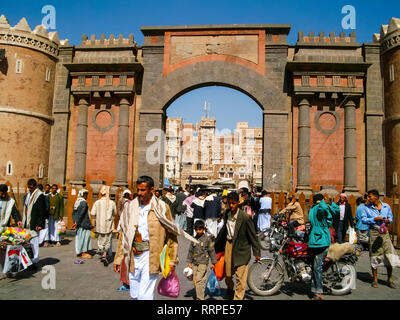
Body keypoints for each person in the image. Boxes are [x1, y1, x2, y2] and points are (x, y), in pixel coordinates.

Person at [113, 176, 192, 300]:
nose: (139, 193)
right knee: (134, 294)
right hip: (133, 256)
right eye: (138, 190)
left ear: (151, 189)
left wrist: (172, 261)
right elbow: (123, 234)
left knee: (145, 295)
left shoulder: (161, 207)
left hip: (151, 256)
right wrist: (118, 258)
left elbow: (171, 236)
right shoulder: (130, 207)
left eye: (142, 190)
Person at [214, 191, 261, 300]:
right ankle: (230, 288)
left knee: (240, 277)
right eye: (229, 203)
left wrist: (257, 253)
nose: (231, 206)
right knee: (229, 275)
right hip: (228, 246)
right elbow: (224, 231)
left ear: (238, 203)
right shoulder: (226, 214)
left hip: (242, 249)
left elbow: (253, 236)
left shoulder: (245, 218)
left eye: (233, 203)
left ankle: (238, 298)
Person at [362, 189, 399, 289]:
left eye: (370, 196)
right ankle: (375, 279)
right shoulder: (367, 208)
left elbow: (390, 217)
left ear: (376, 197)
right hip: (374, 232)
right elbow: (363, 219)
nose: (368, 198)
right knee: (375, 255)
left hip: (384, 233)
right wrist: (374, 219)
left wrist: (388, 220)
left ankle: (389, 279)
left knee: (389, 255)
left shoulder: (386, 206)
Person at [308, 193, 339, 300]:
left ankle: (319, 292)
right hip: (317, 239)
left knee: (317, 267)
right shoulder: (317, 209)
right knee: (314, 266)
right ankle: (315, 288)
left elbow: (323, 210)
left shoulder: (319, 209)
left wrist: (323, 203)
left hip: (322, 241)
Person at [187, 219, 217, 300]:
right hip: (194, 262)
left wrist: (214, 262)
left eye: (200, 229)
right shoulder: (193, 239)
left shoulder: (207, 239)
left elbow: (211, 250)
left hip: (203, 262)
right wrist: (189, 262)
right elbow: (190, 251)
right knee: (196, 280)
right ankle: (201, 292)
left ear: (203, 229)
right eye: (196, 229)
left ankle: (200, 298)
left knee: (199, 280)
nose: (198, 231)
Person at [22, 178, 47, 267]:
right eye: (29, 188)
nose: (30, 189)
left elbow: (42, 211)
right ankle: (28, 260)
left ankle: (34, 260)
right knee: (28, 242)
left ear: (35, 187)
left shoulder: (39, 196)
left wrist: (40, 224)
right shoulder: (28, 195)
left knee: (34, 241)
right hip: (28, 222)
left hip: (35, 222)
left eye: (31, 188)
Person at [91, 185, 117, 266]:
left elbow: (92, 213)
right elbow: (115, 213)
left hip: (99, 225)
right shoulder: (112, 203)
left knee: (100, 240)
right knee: (107, 240)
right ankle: (104, 254)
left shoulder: (97, 202)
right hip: (108, 226)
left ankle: (102, 254)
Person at [72, 189, 93, 259]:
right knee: (85, 238)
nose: (86, 196)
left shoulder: (77, 202)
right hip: (84, 224)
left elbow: (74, 213)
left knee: (79, 238)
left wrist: (75, 222)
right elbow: (81, 214)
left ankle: (79, 252)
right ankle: (83, 252)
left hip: (79, 223)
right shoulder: (83, 203)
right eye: (86, 194)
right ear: (83, 195)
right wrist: (77, 222)